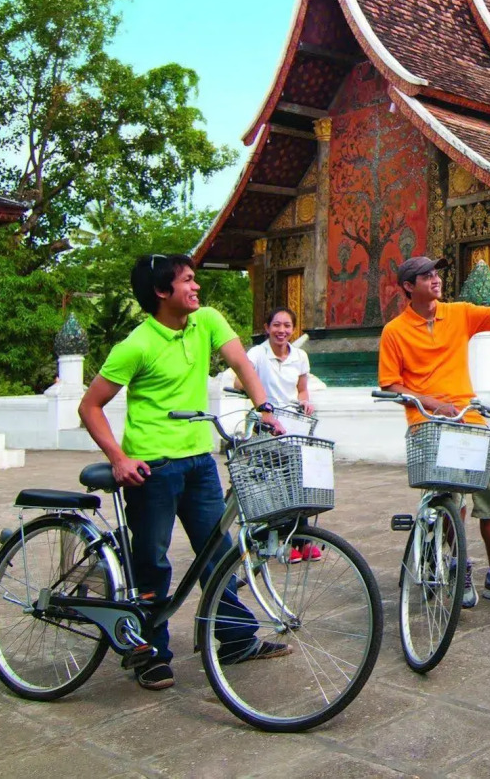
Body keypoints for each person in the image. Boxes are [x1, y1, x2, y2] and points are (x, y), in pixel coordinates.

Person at [79, 254, 289, 692]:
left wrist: (264, 407)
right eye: (187, 281)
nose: (196, 288)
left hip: (199, 463)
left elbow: (242, 364)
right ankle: (148, 651)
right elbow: (90, 405)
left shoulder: (207, 320)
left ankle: (233, 639)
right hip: (151, 470)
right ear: (161, 292)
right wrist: (119, 458)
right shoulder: (136, 344)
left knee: (220, 553)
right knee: (152, 561)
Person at [378, 243, 490, 609]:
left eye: (436, 274)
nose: (436, 280)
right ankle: (457, 562)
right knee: (451, 499)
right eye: (427, 276)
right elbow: (390, 384)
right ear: (408, 286)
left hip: (469, 420)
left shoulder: (459, 314)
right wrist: (433, 403)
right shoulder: (395, 331)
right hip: (428, 424)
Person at [239, 306, 320, 563]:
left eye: (287, 326)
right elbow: (240, 382)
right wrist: (262, 404)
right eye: (276, 325)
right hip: (266, 425)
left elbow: (302, 390)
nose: (281, 330)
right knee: (273, 485)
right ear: (267, 327)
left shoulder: (299, 356)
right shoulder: (257, 354)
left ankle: (301, 539)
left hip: (292, 426)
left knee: (297, 483)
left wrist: (305, 402)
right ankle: (278, 539)